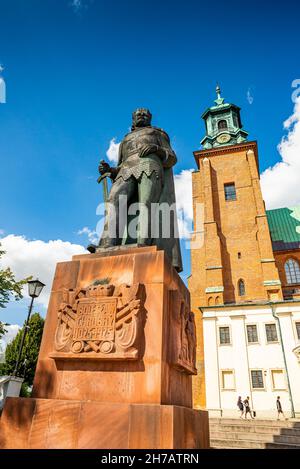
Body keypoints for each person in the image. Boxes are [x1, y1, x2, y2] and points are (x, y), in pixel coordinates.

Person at [88, 108, 182, 272]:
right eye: (138, 114)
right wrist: (109, 169)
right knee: (114, 202)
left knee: (146, 205)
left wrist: (157, 149)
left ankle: (143, 244)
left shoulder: (157, 133)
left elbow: (172, 157)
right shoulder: (125, 139)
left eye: (145, 114)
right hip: (125, 171)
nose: (141, 116)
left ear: (150, 118)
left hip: (150, 166)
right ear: (132, 118)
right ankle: (106, 244)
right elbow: (120, 165)